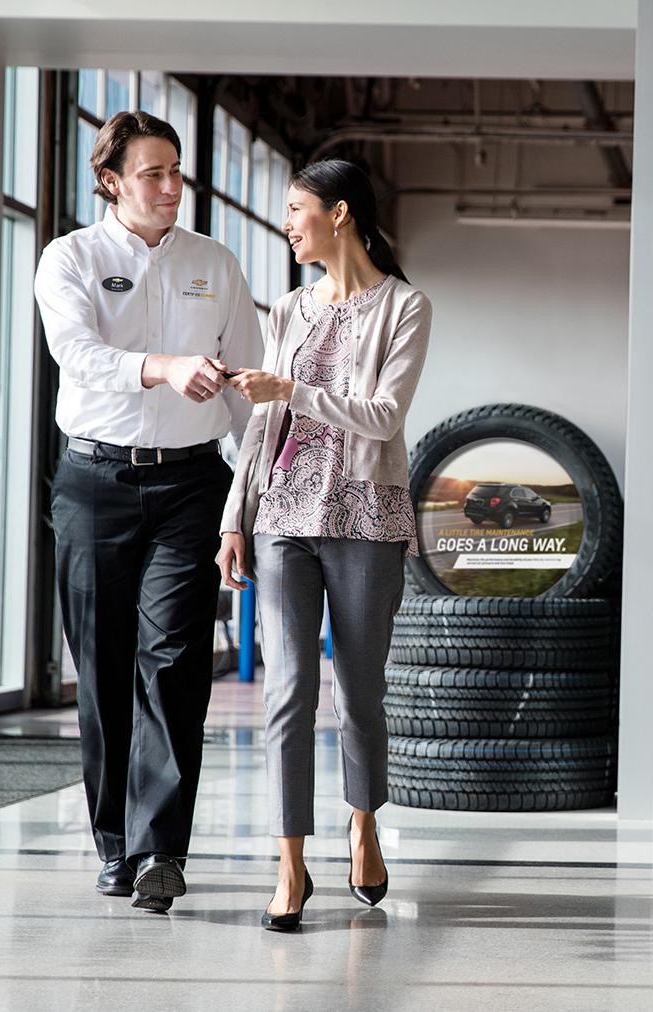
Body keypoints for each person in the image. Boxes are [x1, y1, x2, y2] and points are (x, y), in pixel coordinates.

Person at [34, 110, 262, 912]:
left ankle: (159, 849)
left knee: (173, 664)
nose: (171, 188)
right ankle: (113, 844)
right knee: (101, 667)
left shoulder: (216, 263)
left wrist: (251, 498)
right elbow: (79, 356)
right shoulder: (71, 259)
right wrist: (163, 367)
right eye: (153, 174)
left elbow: (249, 397)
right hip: (94, 481)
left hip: (192, 487)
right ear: (111, 181)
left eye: (177, 172)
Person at [216, 158, 432, 931]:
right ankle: (290, 865)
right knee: (288, 694)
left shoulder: (405, 308)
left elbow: (381, 416)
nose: (288, 222)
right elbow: (263, 428)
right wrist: (233, 520)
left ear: (339, 214)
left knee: (361, 693)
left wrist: (292, 391)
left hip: (367, 518)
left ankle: (363, 823)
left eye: (297, 209)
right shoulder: (289, 312)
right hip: (282, 519)